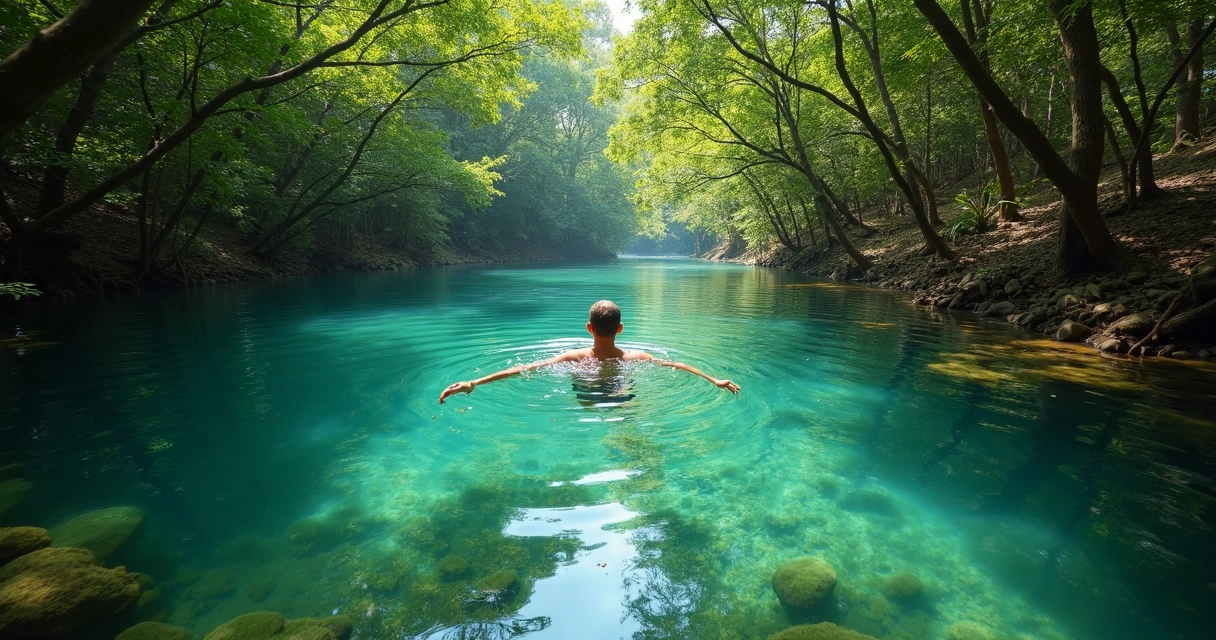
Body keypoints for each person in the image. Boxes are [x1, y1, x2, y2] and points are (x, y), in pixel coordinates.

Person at [438, 300, 740, 404]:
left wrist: (474, 383)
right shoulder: (637, 357)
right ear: (620, 329)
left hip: (584, 386)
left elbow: (523, 369)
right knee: (622, 395)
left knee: (587, 397)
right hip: (622, 382)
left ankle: (600, 399)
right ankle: (618, 402)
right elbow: (678, 364)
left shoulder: (571, 358)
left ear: (589, 328)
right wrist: (714, 380)